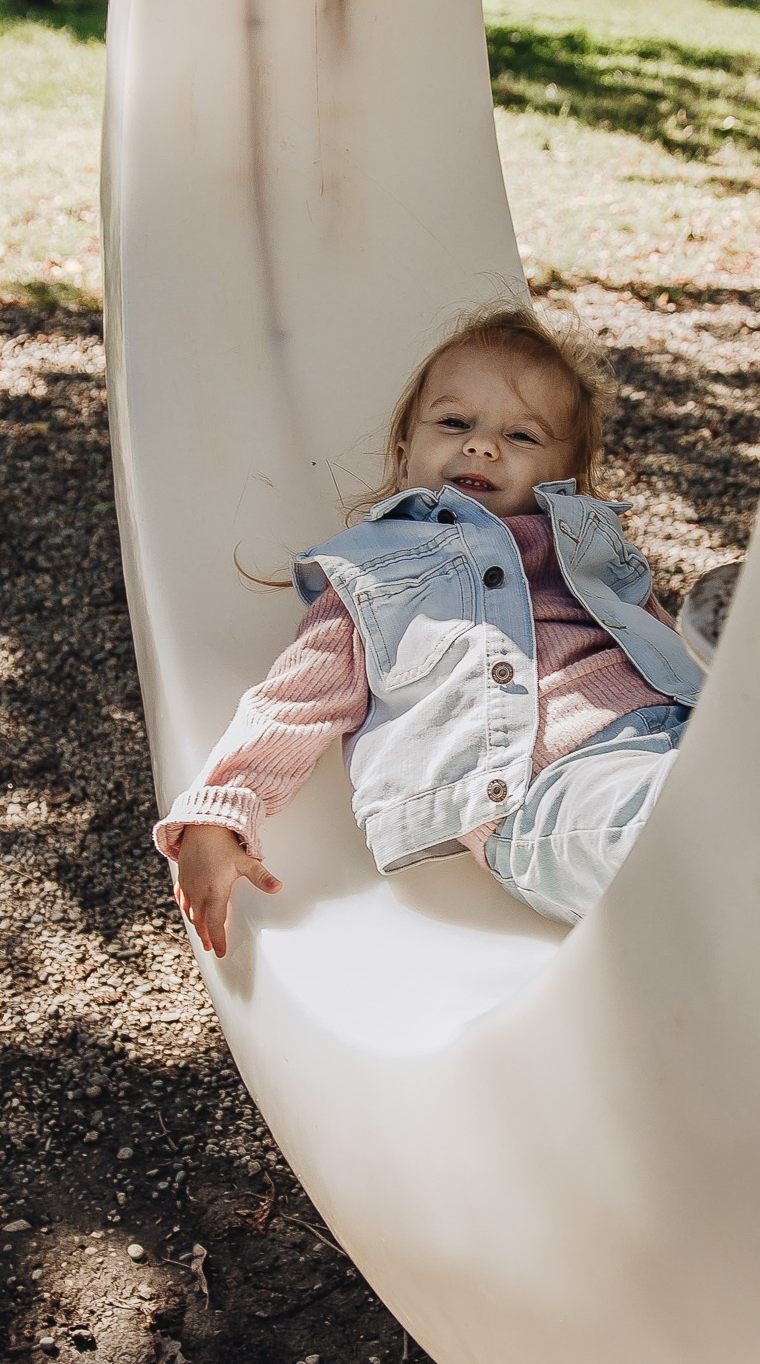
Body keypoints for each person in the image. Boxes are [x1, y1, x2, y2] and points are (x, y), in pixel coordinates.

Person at [154, 305, 704, 953]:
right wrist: (217, 817)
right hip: (552, 793)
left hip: (678, 737)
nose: (483, 445)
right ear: (404, 455)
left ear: (569, 479)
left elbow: (670, 645)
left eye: (522, 436)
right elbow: (291, 705)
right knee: (672, 833)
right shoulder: (375, 576)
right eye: (454, 423)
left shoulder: (589, 553)